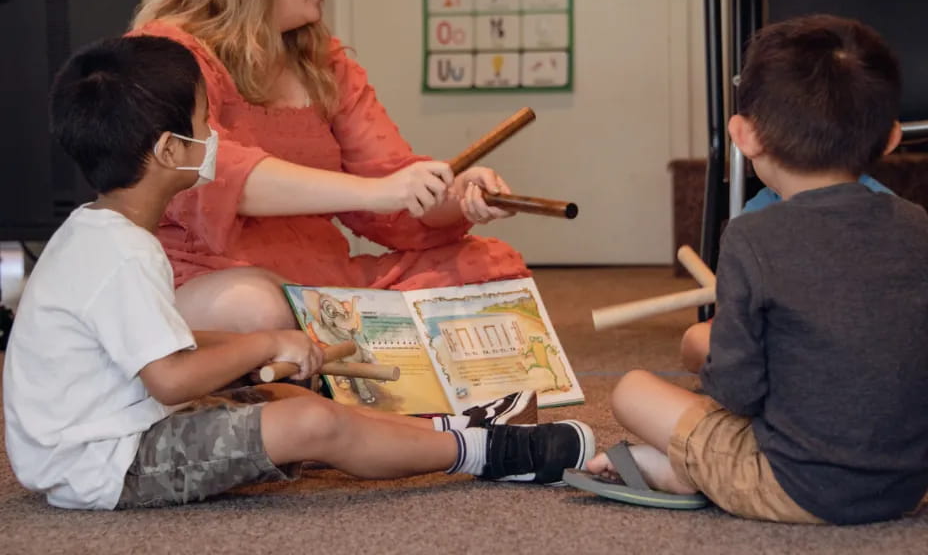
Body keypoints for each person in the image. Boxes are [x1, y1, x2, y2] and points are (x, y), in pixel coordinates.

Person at [1, 35, 594, 510]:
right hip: (103, 464)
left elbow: (158, 347)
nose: (214, 140)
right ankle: (489, 451)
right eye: (206, 125)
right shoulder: (120, 253)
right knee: (309, 420)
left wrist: (268, 348)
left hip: (114, 427)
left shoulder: (101, 230)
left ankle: (444, 427)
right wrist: (263, 340)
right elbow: (170, 379)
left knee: (278, 393)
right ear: (168, 150)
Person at [131, 0, 528, 333]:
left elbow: (392, 194)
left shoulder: (326, 61)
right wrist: (381, 190)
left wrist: (459, 196)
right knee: (263, 309)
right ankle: (339, 358)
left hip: (320, 282)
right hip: (210, 279)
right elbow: (211, 171)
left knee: (490, 268)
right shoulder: (165, 53)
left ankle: (340, 355)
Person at [582, 15, 928, 524]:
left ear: (744, 135)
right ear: (892, 138)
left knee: (634, 388)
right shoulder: (917, 223)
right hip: (906, 487)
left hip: (799, 488)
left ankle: (686, 473)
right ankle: (699, 470)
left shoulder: (752, 235)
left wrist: (714, 354)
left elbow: (738, 392)